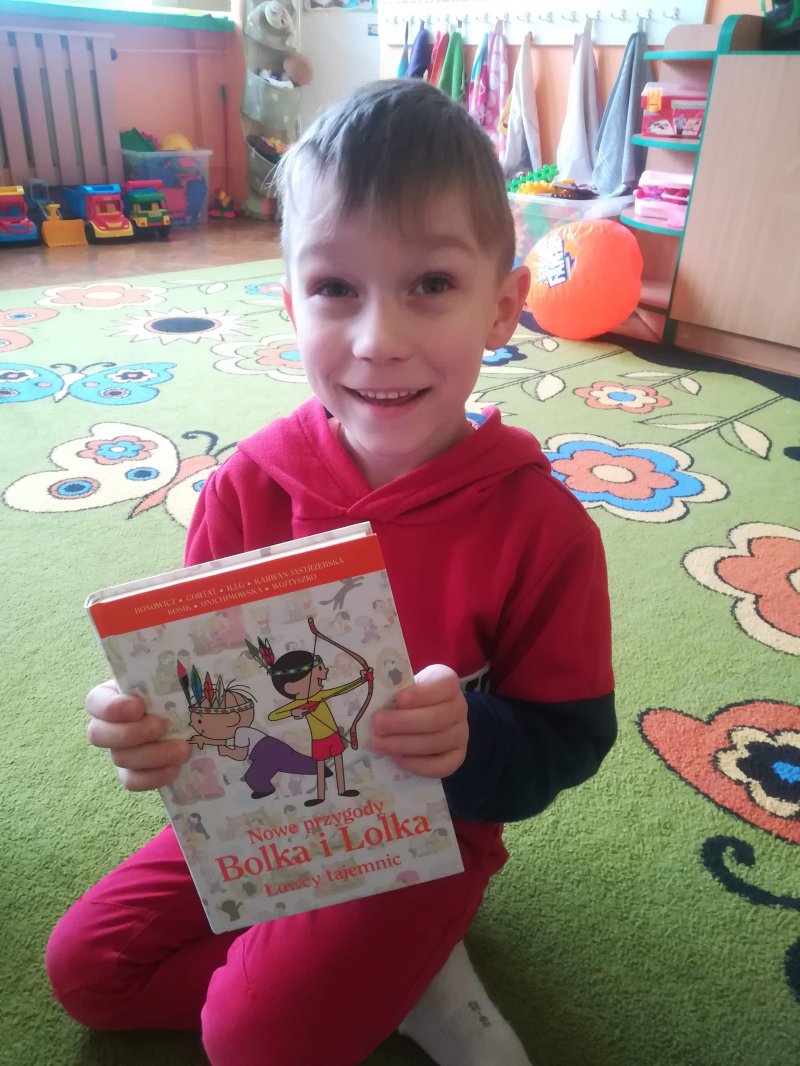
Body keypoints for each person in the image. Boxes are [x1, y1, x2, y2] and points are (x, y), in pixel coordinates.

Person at [46, 79, 616, 1066]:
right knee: (88, 971)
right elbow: (208, 691)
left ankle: (394, 966)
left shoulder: (540, 526)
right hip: (266, 809)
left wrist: (468, 739)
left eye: (429, 283)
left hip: (427, 832)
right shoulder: (245, 488)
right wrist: (153, 727)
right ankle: (388, 980)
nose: (377, 340)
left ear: (501, 307)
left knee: (247, 1041)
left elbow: (571, 737)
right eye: (334, 288)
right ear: (289, 302)